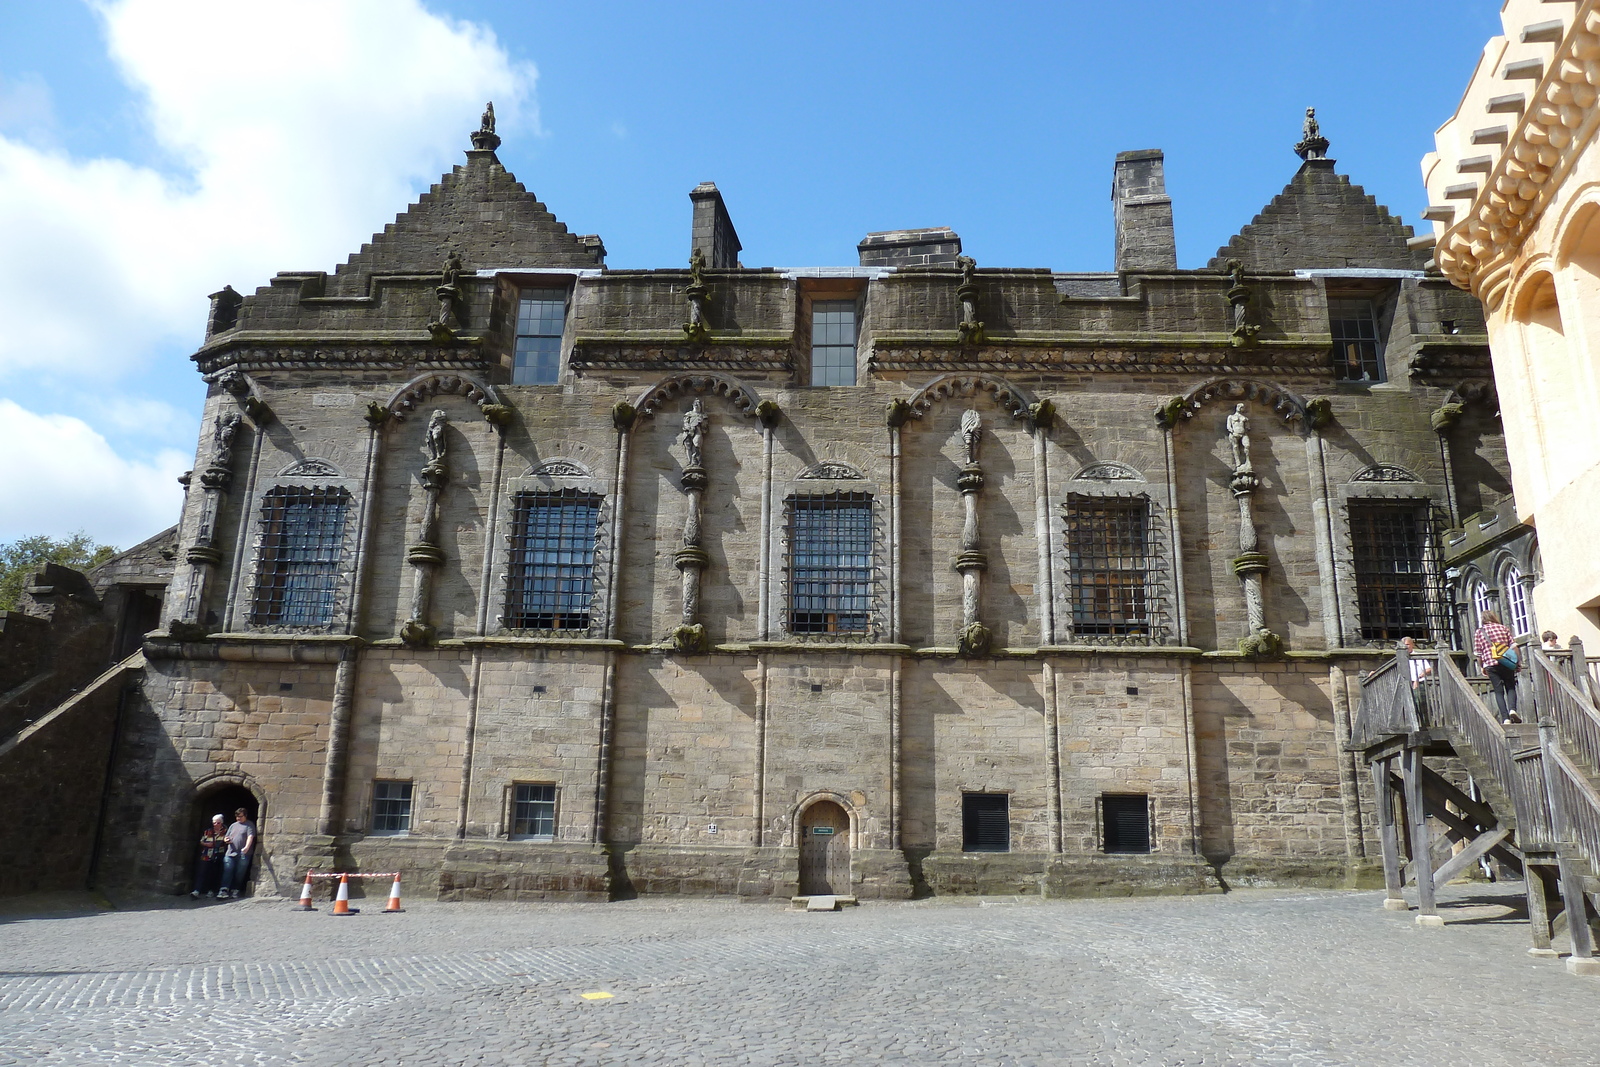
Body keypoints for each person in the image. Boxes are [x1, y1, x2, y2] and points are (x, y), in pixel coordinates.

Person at [1473, 610, 1521, 724]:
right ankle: (1513, 710)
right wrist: (1517, 662)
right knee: (1510, 687)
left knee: (1499, 692)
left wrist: (1482, 667)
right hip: (1506, 662)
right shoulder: (1503, 628)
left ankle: (1505, 719)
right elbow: (1514, 647)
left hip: (1490, 664)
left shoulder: (1479, 632)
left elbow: (1478, 654)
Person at [220, 807, 257, 899]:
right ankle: (224, 889)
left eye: (240, 816)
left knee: (239, 873)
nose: (238, 819)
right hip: (230, 852)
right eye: (237, 817)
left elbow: (250, 836)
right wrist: (226, 840)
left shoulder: (249, 825)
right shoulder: (233, 825)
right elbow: (226, 836)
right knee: (228, 870)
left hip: (243, 854)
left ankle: (235, 889)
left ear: (245, 816)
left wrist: (247, 847)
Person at [190, 814, 227, 898]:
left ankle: (211, 890)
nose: (216, 824)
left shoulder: (226, 831)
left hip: (219, 854)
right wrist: (206, 844)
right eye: (214, 823)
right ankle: (197, 890)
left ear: (221, 823)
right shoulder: (208, 831)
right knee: (202, 871)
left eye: (218, 823)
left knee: (214, 873)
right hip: (207, 854)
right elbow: (201, 841)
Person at [1399, 637, 1432, 715]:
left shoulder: (1418, 656)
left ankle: (1425, 725)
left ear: (1412, 645)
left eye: (1407, 645)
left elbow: (1428, 669)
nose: (1405, 647)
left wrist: (1418, 678)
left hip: (1418, 684)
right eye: (1404, 645)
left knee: (1421, 706)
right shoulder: (1400, 658)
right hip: (1405, 684)